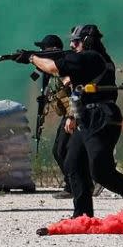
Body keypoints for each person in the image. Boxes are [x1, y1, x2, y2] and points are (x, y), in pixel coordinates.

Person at [30, 25, 123, 218]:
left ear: (88, 41)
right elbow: (76, 89)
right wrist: (72, 115)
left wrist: (31, 58)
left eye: (77, 41)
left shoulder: (92, 57)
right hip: (87, 117)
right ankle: (82, 214)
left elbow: (53, 67)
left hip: (101, 116)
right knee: (72, 162)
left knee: (100, 171)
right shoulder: (90, 59)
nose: (72, 44)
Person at [33, 34, 74, 199]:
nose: (41, 51)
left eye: (44, 49)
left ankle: (75, 185)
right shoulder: (49, 72)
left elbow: (73, 92)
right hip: (69, 114)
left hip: (75, 114)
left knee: (62, 150)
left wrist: (72, 115)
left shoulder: (64, 66)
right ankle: (75, 183)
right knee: (61, 150)